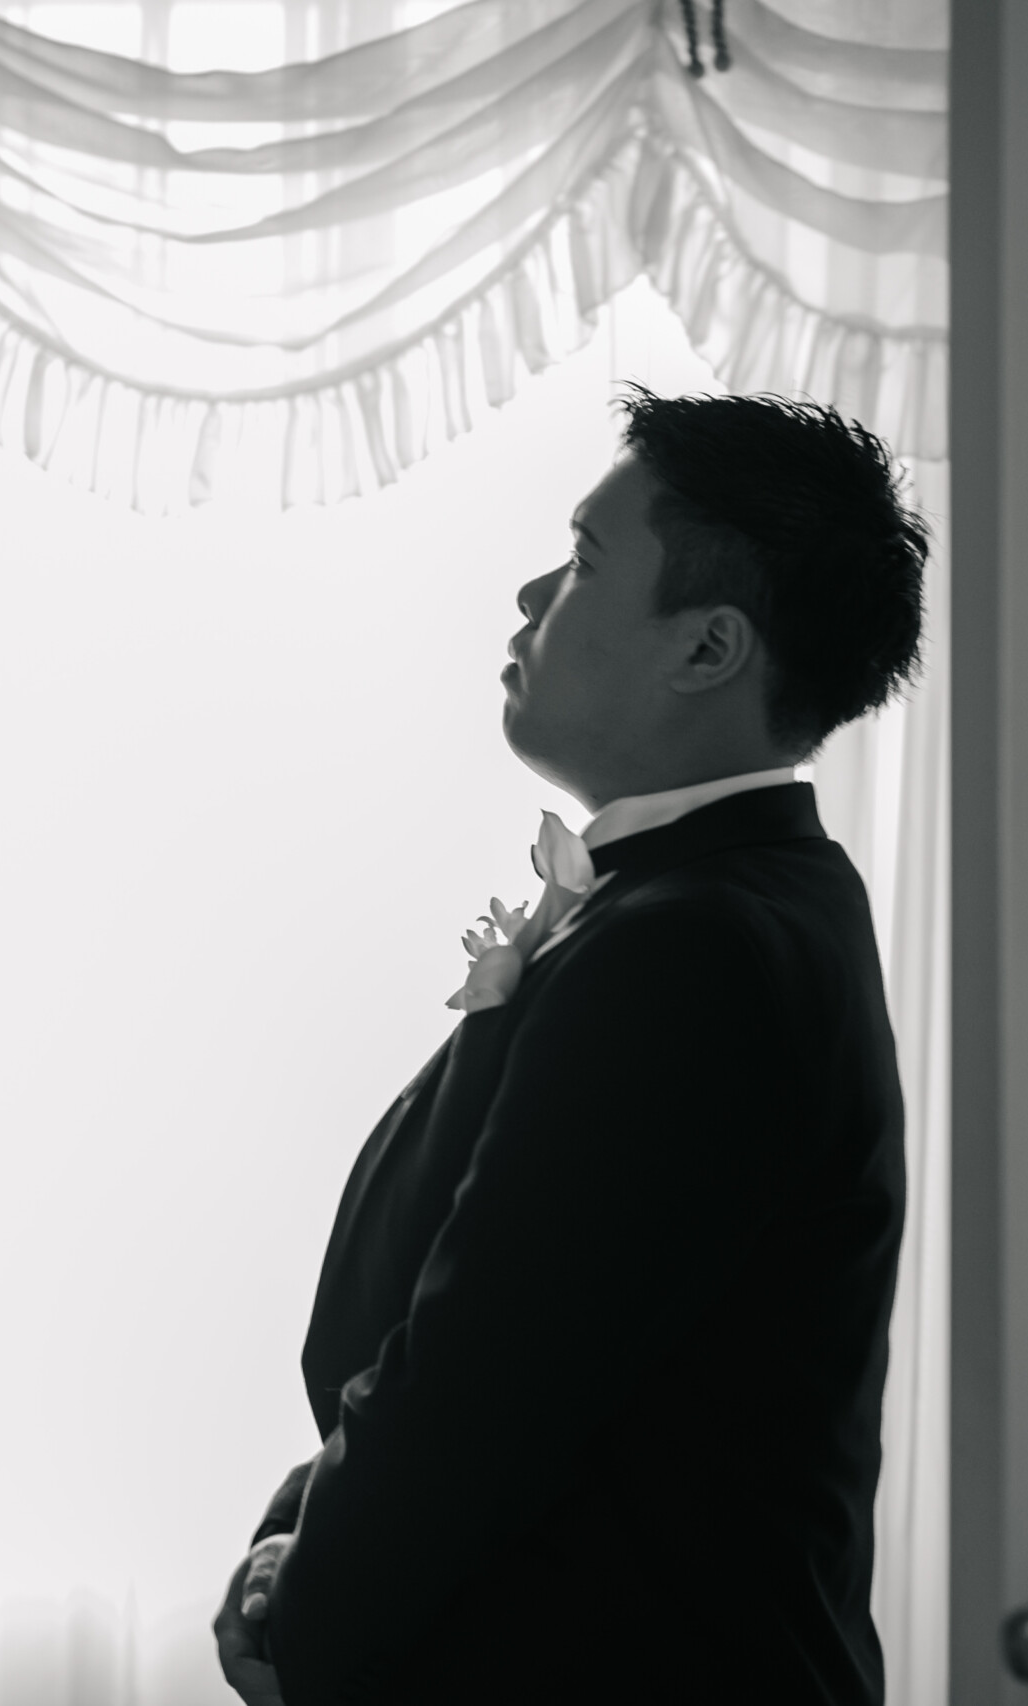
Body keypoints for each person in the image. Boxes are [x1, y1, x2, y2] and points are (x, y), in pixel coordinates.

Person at [212, 389, 924, 1705]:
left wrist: (301, 1614)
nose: (535, 594)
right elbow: (516, 1329)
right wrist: (301, 1523)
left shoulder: (696, 945)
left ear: (708, 646)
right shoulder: (730, 896)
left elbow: (485, 1377)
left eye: (588, 560)